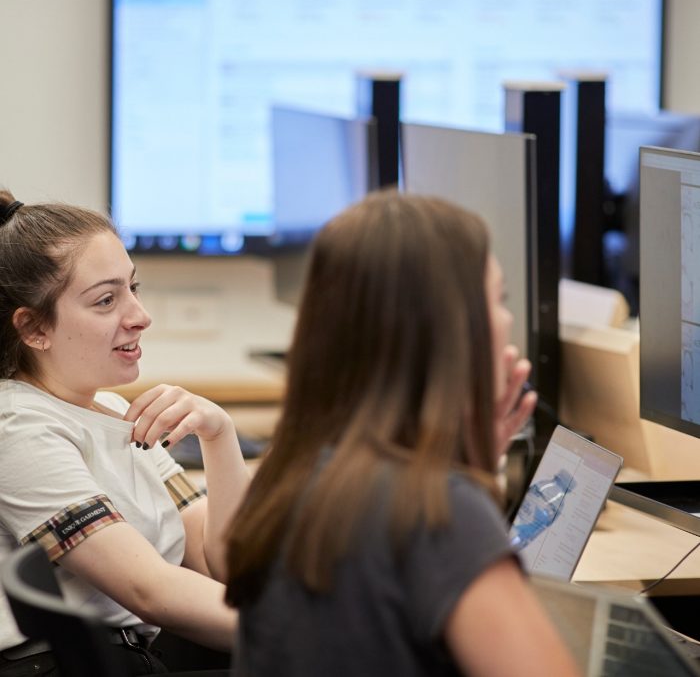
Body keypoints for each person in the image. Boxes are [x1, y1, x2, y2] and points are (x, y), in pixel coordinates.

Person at [225, 190, 581, 677]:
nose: (506, 319)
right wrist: (465, 492)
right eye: (497, 300)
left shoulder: (289, 477)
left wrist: (469, 467)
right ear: (450, 329)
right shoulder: (437, 510)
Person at [0, 190, 250, 675]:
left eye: (133, 288)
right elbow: (150, 591)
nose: (140, 315)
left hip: (129, 652)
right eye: (106, 300)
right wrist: (316, 632)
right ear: (33, 329)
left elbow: (221, 563)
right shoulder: (18, 428)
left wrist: (220, 436)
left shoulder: (112, 409)